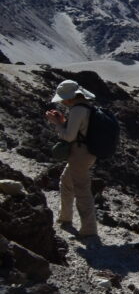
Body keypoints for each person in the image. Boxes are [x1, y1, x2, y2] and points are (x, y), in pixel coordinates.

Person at [44, 79, 99, 238]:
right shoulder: (86, 107)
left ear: (69, 98)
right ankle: (65, 217)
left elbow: (69, 137)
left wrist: (56, 124)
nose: (63, 102)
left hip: (80, 155)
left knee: (82, 191)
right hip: (87, 153)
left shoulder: (77, 110)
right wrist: (63, 121)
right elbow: (81, 130)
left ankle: (89, 230)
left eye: (63, 99)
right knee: (66, 182)